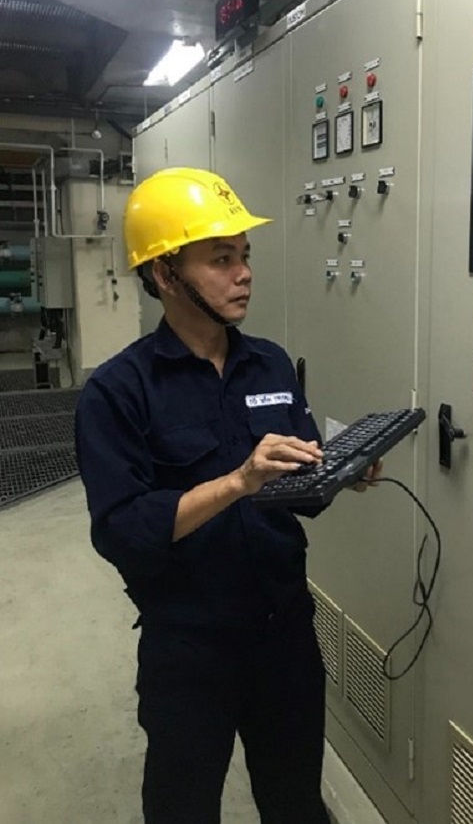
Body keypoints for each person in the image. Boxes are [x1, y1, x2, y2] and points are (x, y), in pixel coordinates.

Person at [75, 167, 380, 824]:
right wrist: (239, 480)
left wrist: (339, 471)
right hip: (189, 646)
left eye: (245, 255)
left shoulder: (269, 362)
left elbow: (298, 491)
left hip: (284, 633)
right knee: (183, 808)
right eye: (221, 259)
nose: (244, 274)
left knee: (295, 803)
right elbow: (123, 530)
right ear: (164, 274)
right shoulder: (119, 391)